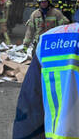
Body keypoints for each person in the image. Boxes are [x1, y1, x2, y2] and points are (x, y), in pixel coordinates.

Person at [13, 11, 79, 139]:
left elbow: (30, 105)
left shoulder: (54, 32)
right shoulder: (36, 17)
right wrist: (26, 45)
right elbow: (30, 30)